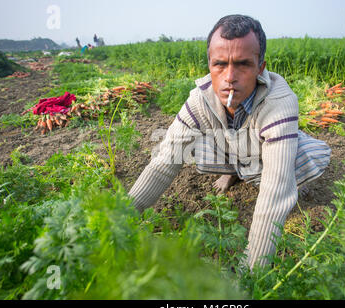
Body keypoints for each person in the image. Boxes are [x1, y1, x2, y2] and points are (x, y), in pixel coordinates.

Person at [128, 15, 331, 270]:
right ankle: (236, 173)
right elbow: (163, 163)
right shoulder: (200, 101)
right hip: (237, 148)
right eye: (220, 64)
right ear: (210, 64)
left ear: (260, 67)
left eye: (243, 65)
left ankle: (279, 179)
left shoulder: (279, 102)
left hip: (275, 152)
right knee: (187, 148)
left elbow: (275, 188)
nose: (229, 77)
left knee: (289, 171)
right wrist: (122, 217)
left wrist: (252, 271)